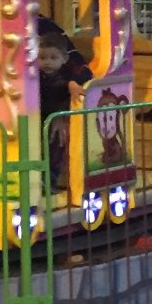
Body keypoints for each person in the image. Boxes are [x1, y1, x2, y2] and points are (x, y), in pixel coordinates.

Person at [37, 28, 94, 187]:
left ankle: (50, 179)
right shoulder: (35, 75)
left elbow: (81, 80)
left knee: (57, 140)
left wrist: (72, 84)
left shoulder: (68, 74)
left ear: (64, 59)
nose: (47, 62)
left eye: (53, 57)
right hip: (39, 116)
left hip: (59, 116)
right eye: (42, 58)